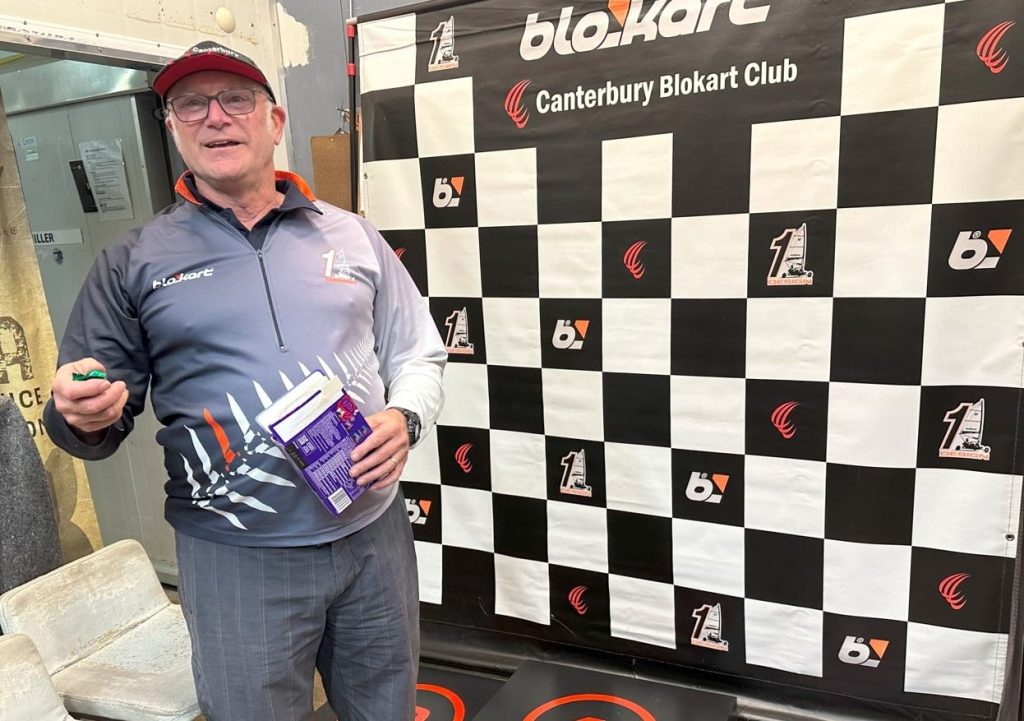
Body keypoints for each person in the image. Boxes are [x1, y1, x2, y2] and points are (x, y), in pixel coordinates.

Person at [43, 41, 446, 721]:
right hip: (235, 553)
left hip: (371, 535)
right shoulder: (132, 261)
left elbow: (418, 352)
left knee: (385, 709)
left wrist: (405, 418)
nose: (215, 117)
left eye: (235, 98)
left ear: (274, 120)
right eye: (190, 104)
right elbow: (88, 411)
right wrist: (79, 414)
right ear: (173, 128)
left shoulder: (353, 236)